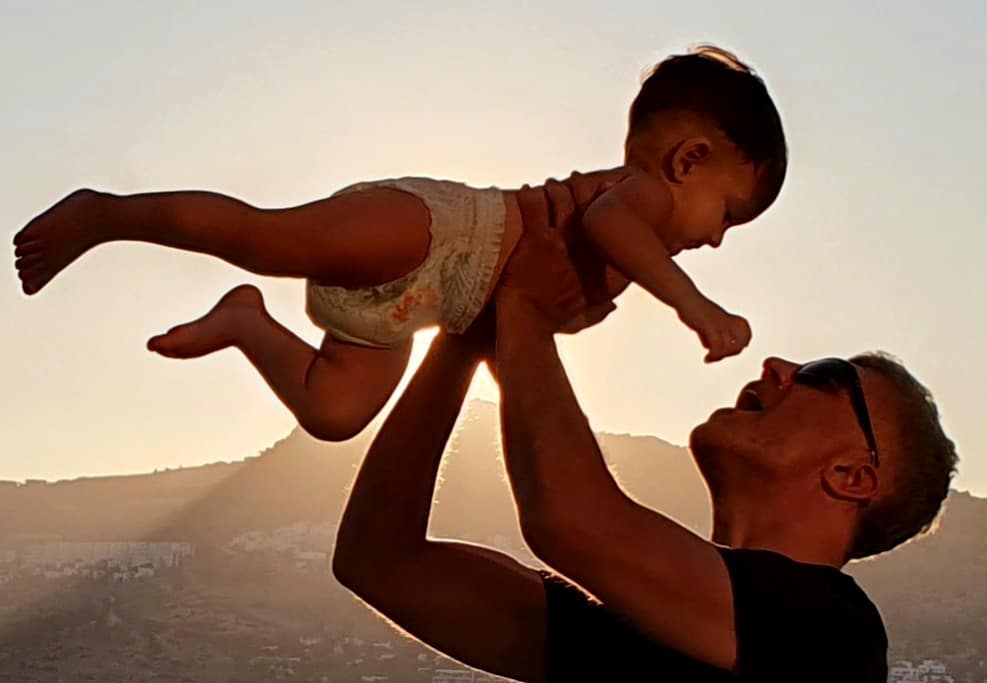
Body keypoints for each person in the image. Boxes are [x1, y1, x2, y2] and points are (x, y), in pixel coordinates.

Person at [331, 181, 958, 683]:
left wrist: (523, 304)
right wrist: (465, 337)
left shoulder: (833, 637)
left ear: (853, 476)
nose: (778, 367)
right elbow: (379, 559)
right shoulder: (614, 631)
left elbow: (570, 520)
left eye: (823, 375)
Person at [13, 45, 785, 441]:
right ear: (689, 161)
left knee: (335, 413)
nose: (717, 240)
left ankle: (247, 322)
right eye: (727, 215)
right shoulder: (640, 199)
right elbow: (606, 225)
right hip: (440, 231)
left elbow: (525, 310)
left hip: (419, 310)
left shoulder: (628, 248)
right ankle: (105, 214)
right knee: (264, 237)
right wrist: (695, 307)